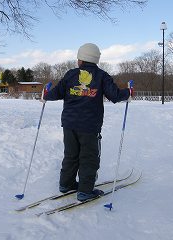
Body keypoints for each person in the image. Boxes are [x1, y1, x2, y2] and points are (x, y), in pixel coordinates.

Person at [41, 43, 133, 202]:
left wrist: (46, 94)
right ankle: (85, 191)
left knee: (71, 155)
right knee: (89, 157)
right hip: (89, 127)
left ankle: (66, 184)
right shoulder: (102, 76)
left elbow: (57, 92)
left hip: (69, 125)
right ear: (95, 59)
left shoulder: (71, 75)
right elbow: (115, 95)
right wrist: (128, 93)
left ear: (81, 59)